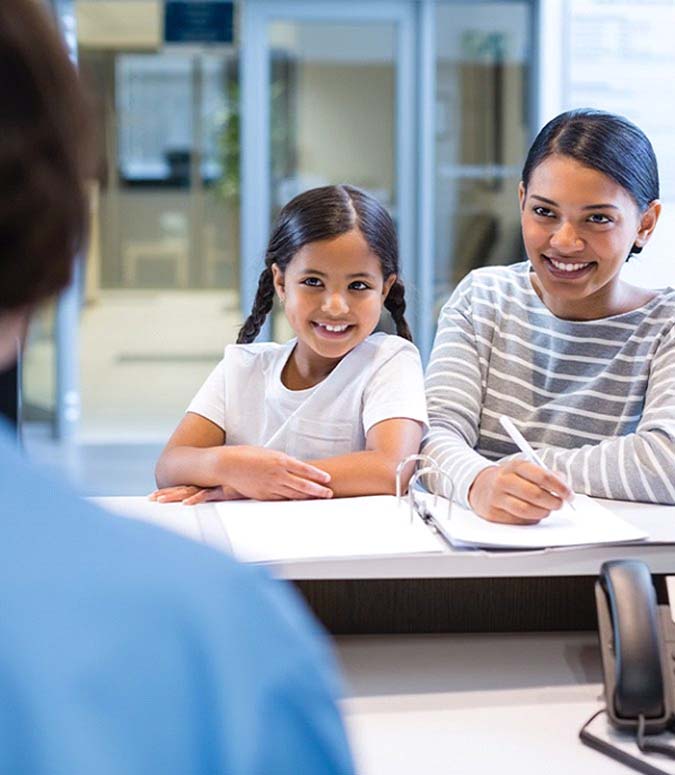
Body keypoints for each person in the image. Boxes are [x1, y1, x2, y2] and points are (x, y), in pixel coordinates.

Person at [0, 2, 355, 773]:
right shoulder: (215, 641)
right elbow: (176, 462)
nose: (334, 304)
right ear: (52, 243)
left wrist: (233, 469)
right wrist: (231, 467)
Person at [423, 108, 675, 525]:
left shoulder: (665, 326)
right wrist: (479, 483)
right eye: (544, 212)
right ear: (522, 201)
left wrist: (519, 473)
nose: (565, 241)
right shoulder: (482, 298)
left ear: (645, 224)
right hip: (473, 564)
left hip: (602, 571)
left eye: (597, 218)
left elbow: (666, 463)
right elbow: (432, 435)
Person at [151, 185, 428, 505]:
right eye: (313, 282)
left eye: (358, 286)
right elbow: (170, 466)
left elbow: (390, 468)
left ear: (384, 289)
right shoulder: (241, 367)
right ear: (281, 283)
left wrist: (257, 484)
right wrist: (233, 467)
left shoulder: (390, 361)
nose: (336, 306)